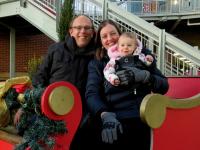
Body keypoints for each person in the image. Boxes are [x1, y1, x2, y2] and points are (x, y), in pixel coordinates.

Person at [85, 19, 169, 150]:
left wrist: (147, 77)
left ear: (120, 35)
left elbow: (164, 86)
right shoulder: (97, 63)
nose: (110, 39)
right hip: (114, 117)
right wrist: (104, 114)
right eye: (104, 36)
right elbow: (91, 93)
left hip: (142, 117)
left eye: (113, 33)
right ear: (100, 42)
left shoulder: (142, 56)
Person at [28, 14, 96, 149]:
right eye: (78, 28)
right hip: (50, 112)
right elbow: (40, 77)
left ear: (93, 33)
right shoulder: (56, 49)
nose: (83, 31)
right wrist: (33, 104)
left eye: (87, 28)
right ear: (71, 31)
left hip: (82, 119)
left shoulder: (97, 54)